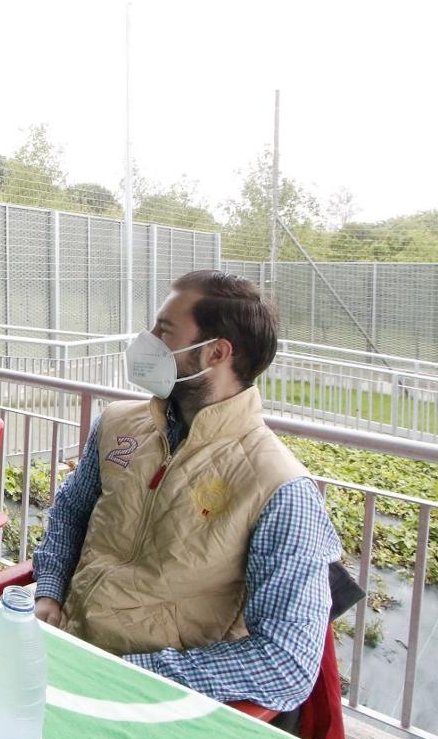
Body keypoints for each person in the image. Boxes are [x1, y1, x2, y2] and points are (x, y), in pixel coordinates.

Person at [32, 269, 341, 711]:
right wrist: (50, 590)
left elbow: (286, 663)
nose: (148, 340)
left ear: (215, 352)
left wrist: (136, 675)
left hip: (143, 699)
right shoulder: (119, 423)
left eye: (164, 331)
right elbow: (71, 514)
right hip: (62, 647)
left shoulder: (279, 487)